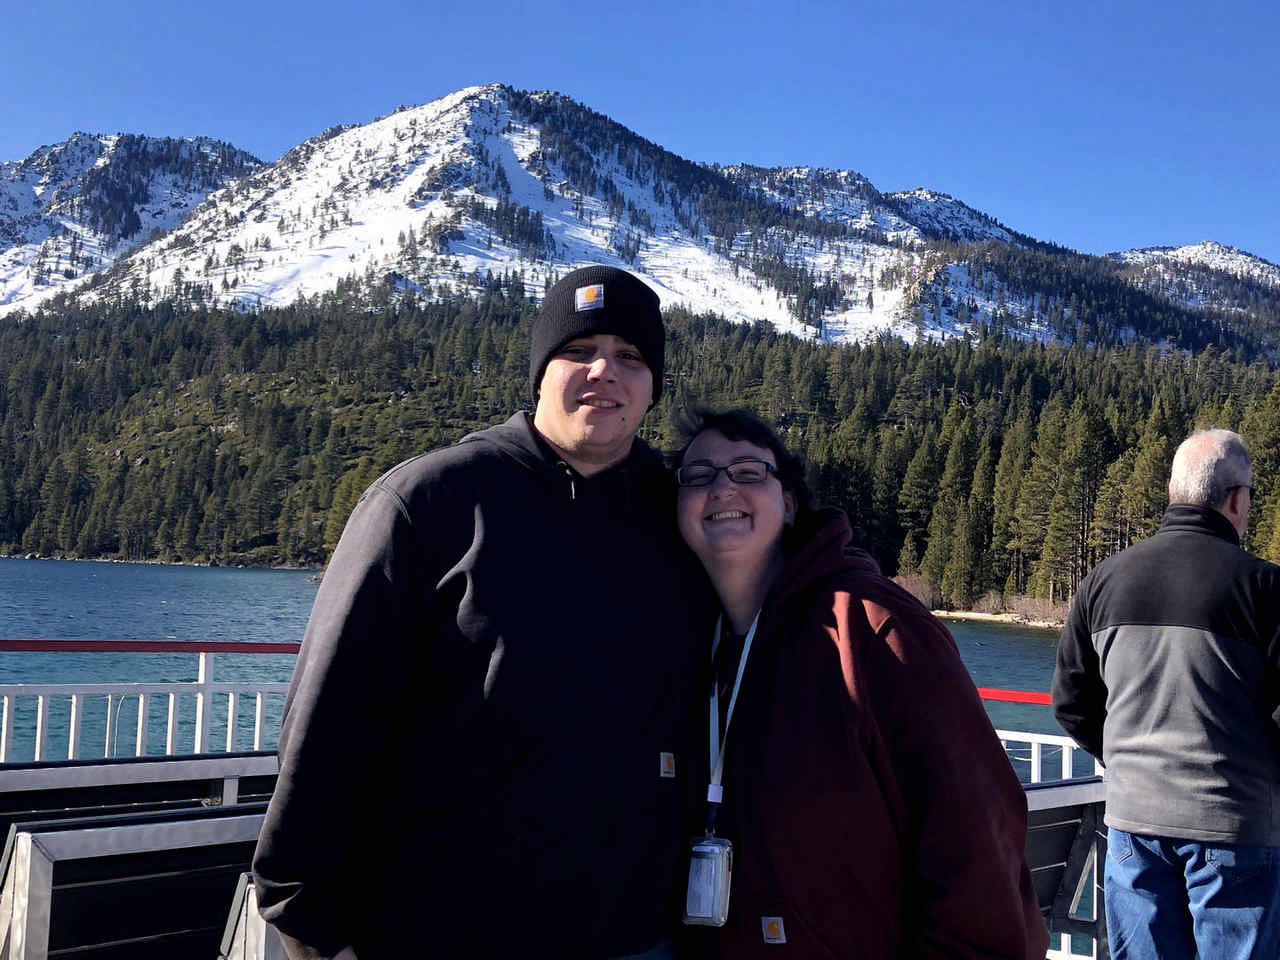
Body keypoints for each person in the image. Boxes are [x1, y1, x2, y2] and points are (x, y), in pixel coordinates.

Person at [253, 265, 715, 960]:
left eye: (630, 357)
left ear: (652, 385)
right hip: (439, 935)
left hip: (634, 941)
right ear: (538, 373)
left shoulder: (680, 516)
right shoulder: (429, 504)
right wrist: (312, 929)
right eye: (579, 351)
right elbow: (327, 728)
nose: (605, 372)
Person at [671, 406, 1047, 959]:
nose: (723, 486)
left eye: (749, 472)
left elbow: (976, 844)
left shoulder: (876, 629)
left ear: (790, 502)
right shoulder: (686, 645)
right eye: (698, 476)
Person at [1052, 428, 1280, 960]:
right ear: (1237, 499)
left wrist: (1129, 759)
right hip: (1235, 827)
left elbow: (1070, 702)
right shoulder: (1266, 588)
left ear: (1176, 492)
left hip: (1134, 824)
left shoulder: (1104, 581)